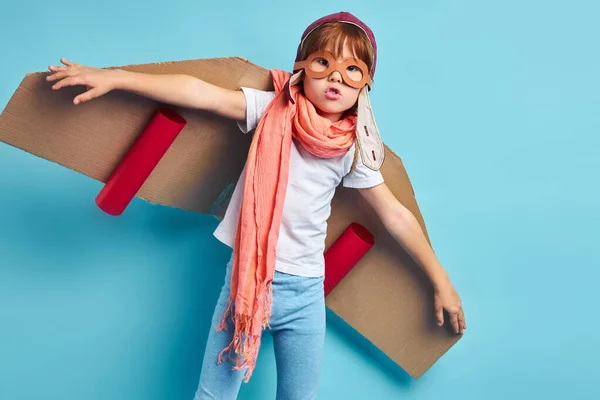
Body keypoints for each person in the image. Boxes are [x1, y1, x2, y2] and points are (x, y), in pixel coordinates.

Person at [46, 11, 466, 400]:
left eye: (351, 70)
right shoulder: (272, 110)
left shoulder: (352, 150)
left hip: (306, 294)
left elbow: (394, 214)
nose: (335, 78)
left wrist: (440, 280)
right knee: (214, 394)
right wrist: (116, 78)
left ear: (365, 86)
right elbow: (199, 93)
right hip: (247, 283)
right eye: (323, 63)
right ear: (302, 68)